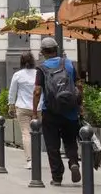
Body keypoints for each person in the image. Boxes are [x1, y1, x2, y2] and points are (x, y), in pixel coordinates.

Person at [32, 37, 84, 186]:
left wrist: (34, 112)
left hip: (50, 111)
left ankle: (57, 177)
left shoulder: (41, 68)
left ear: (43, 52)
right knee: (70, 140)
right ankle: (73, 162)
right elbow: (79, 85)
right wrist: (80, 105)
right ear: (57, 49)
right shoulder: (68, 64)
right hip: (70, 110)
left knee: (52, 145)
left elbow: (37, 91)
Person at [8, 52, 39, 169]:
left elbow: (12, 92)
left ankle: (30, 160)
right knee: (38, 133)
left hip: (22, 107)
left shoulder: (18, 75)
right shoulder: (38, 74)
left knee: (26, 133)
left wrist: (11, 106)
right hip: (38, 108)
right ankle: (37, 157)